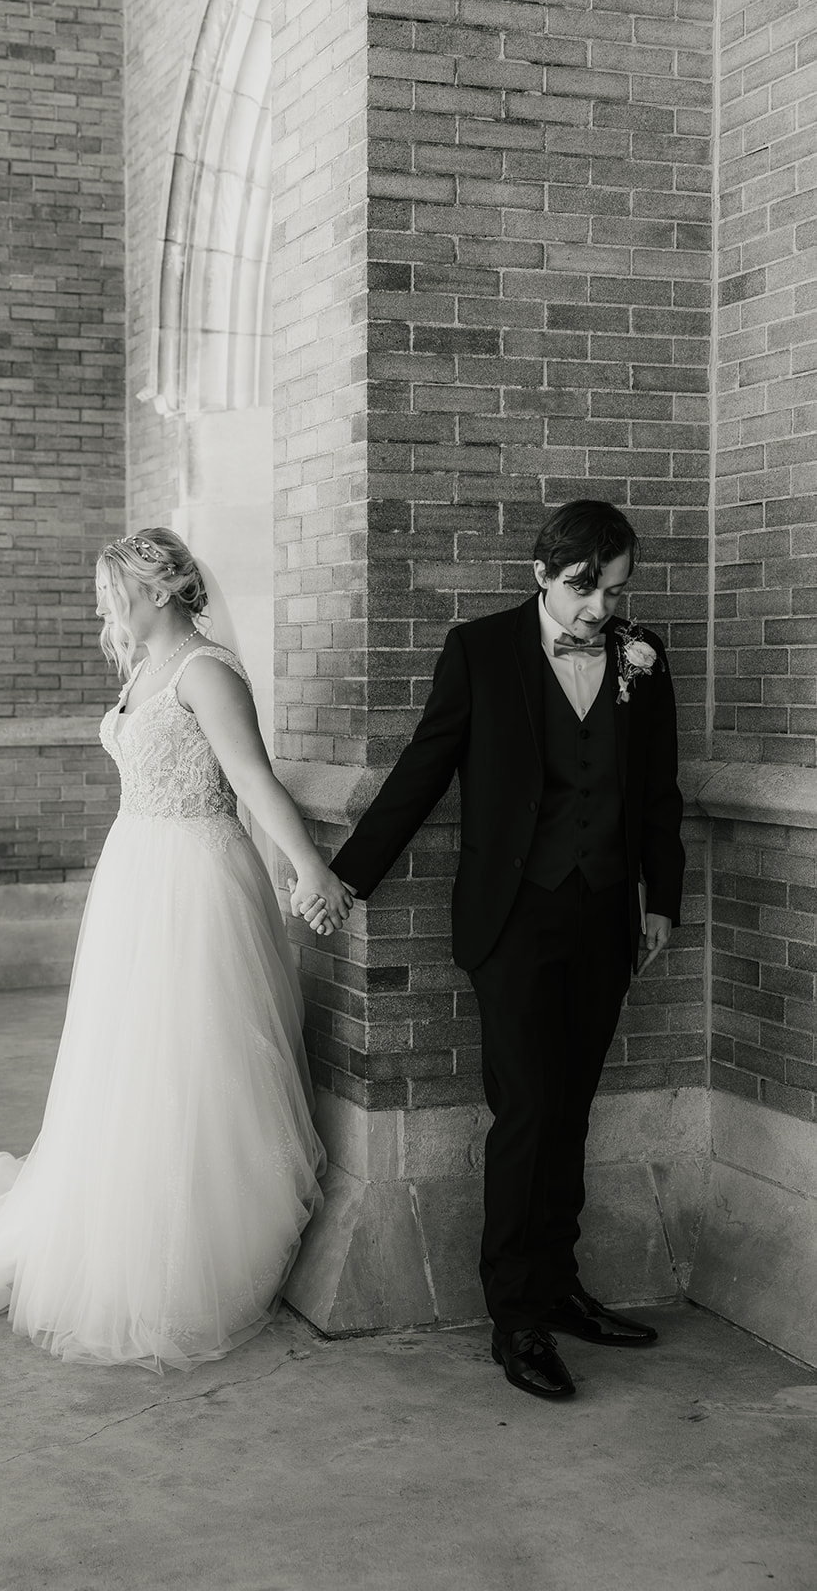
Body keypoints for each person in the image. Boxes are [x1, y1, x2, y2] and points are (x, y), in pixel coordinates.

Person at [0, 528, 350, 1372]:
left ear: (159, 590)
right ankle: (114, 1215)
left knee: (193, 1056)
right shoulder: (144, 671)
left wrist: (310, 870)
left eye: (111, 588)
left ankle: (192, 1246)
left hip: (195, 881)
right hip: (136, 877)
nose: (100, 604)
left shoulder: (205, 672)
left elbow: (254, 777)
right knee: (126, 1062)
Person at [295, 499, 685, 1400]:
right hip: (511, 918)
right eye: (585, 589)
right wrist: (349, 875)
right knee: (525, 1112)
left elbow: (656, 790)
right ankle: (515, 1319)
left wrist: (658, 901)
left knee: (573, 1106)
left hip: (603, 917)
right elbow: (422, 769)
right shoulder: (478, 650)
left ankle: (558, 1287)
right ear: (541, 575)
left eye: (614, 592)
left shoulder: (644, 657)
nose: (600, 610)